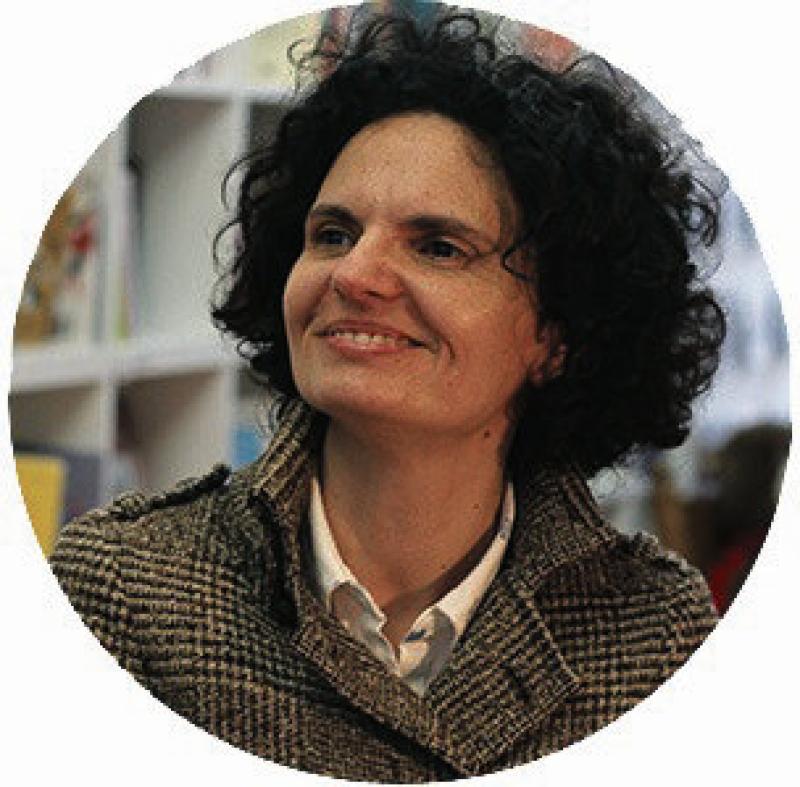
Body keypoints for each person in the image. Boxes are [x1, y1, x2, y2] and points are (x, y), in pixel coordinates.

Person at [49, 6, 726, 782]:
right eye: (332, 234)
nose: (354, 274)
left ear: (558, 335)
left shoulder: (654, 630)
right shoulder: (125, 584)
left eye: (438, 247)